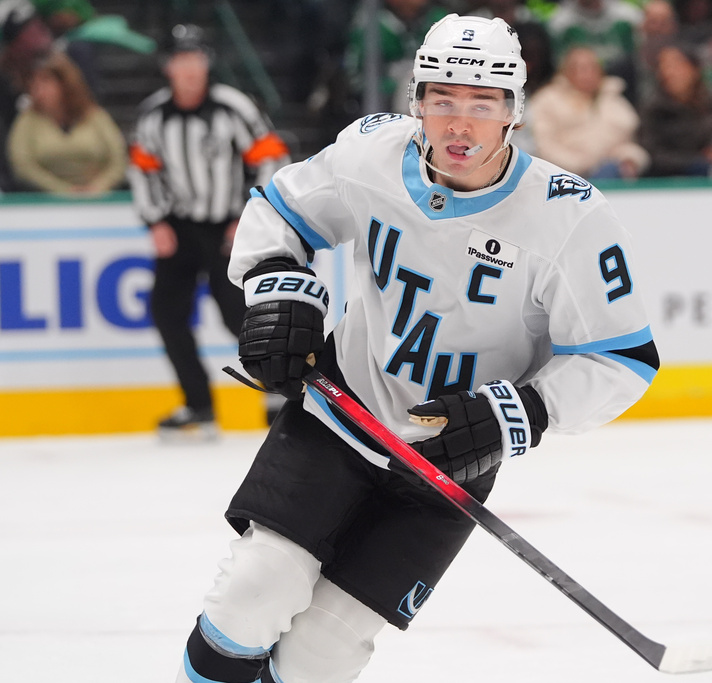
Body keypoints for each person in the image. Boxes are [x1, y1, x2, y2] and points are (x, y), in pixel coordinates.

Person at [174, 13, 659, 683]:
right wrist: (280, 293)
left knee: (323, 656)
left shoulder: (571, 217)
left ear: (513, 112)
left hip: (447, 468)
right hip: (339, 416)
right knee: (252, 594)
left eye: (482, 104)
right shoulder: (370, 154)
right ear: (416, 102)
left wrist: (521, 412)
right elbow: (280, 213)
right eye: (442, 99)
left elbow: (622, 356)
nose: (460, 123)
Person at [127, 24, 291, 437]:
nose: (189, 68)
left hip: (228, 225)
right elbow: (142, 169)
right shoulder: (154, 115)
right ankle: (198, 405)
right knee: (167, 313)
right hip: (180, 227)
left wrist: (251, 214)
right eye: (181, 60)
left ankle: (275, 388)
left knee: (236, 312)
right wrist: (155, 221)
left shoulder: (233, 107)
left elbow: (272, 157)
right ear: (168, 67)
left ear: (206, 62)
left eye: (195, 58)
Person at [5, 50, 126, 194]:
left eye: (45, 81)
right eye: (34, 82)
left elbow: (118, 160)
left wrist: (98, 188)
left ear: (65, 84)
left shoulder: (95, 116)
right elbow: (23, 166)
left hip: (97, 200)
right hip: (46, 201)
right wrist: (63, 190)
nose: (38, 89)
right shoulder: (27, 120)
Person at [528, 45, 650, 179]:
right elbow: (542, 145)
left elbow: (629, 142)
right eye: (580, 68)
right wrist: (582, 167)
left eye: (592, 67)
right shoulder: (546, 101)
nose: (587, 73)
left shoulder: (615, 101)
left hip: (610, 174)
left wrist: (630, 159)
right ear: (566, 71)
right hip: (561, 176)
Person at [639, 42, 712, 176]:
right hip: (668, 183)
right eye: (663, 66)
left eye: (676, 65)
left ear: (695, 69)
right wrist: (698, 161)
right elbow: (652, 154)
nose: (669, 72)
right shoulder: (653, 111)